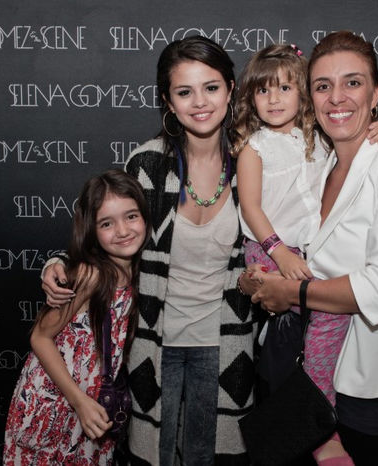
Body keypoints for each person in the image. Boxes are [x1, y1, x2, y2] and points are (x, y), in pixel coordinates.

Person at [42, 36, 254, 465]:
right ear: (167, 101)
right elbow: (112, 234)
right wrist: (59, 264)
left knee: (211, 457)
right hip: (154, 341)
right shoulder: (147, 163)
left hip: (226, 340)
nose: (200, 102)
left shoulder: (253, 159)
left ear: (231, 90)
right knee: (152, 456)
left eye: (211, 87)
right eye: (184, 91)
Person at [250, 31, 378, 466]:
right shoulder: (318, 163)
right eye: (323, 85)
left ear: (377, 92)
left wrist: (293, 294)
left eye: (353, 83)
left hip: (367, 383)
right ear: (310, 98)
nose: (337, 97)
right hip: (299, 378)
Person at [234, 43, 378, 465]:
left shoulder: (318, 138)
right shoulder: (254, 146)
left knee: (328, 320)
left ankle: (318, 417)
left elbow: (359, 150)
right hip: (269, 246)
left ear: (303, 95)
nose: (273, 99)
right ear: (250, 96)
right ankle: (321, 430)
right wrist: (278, 252)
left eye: (285, 88)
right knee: (321, 316)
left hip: (308, 251)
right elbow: (250, 207)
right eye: (263, 91)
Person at [3, 170, 151, 465]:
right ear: (92, 230)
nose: (123, 230)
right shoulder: (91, 274)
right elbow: (39, 336)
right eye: (107, 223)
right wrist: (78, 401)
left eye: (131, 216)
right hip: (54, 402)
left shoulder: (141, 271)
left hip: (96, 408)